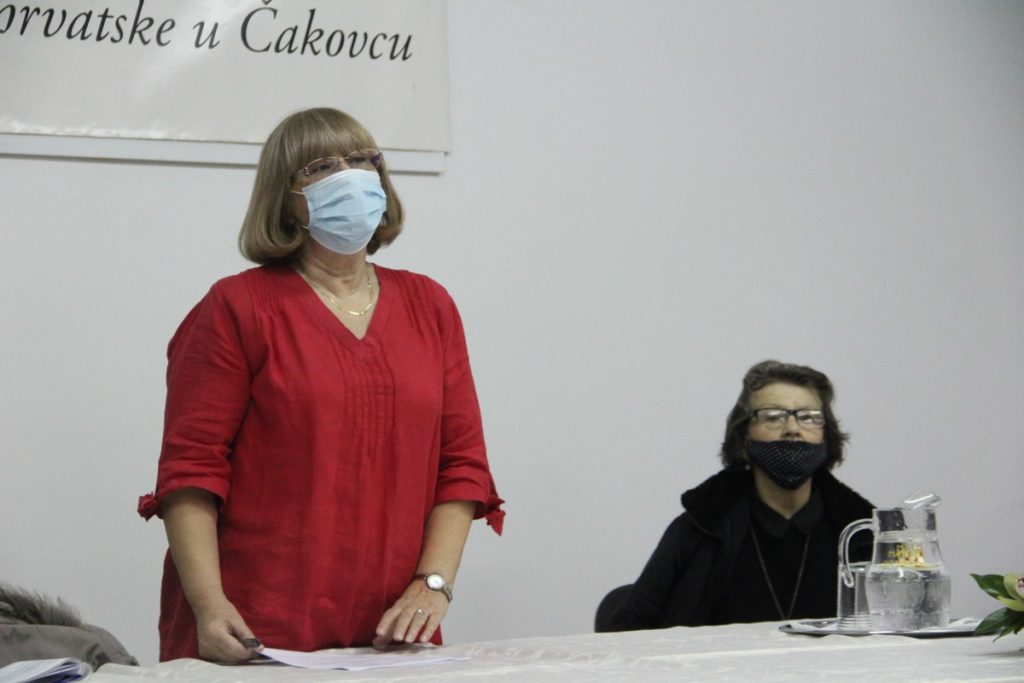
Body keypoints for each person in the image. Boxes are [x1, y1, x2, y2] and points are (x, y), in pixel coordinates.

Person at [137, 107, 504, 662]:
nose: (349, 176)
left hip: (391, 633)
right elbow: (191, 470)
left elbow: (463, 465)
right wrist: (209, 605)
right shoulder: (237, 307)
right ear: (285, 197)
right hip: (252, 629)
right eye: (321, 167)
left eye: (361, 160)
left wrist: (433, 585)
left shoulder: (429, 305)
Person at [598, 360, 872, 631]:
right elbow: (626, 630)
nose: (792, 428)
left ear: (826, 437)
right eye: (773, 416)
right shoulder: (701, 527)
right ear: (743, 439)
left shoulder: (864, 533)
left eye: (809, 417)